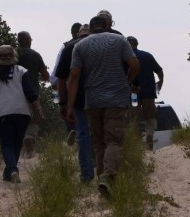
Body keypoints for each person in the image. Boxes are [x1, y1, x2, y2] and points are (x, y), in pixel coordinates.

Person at [67, 16, 140, 197]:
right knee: (113, 141)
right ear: (107, 26)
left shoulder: (80, 46)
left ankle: (102, 180)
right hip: (115, 99)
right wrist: (126, 82)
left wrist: (69, 106)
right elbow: (135, 65)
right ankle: (108, 177)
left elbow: (74, 76)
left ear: (90, 29)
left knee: (99, 143)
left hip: (92, 100)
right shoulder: (119, 40)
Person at [0, 45, 44, 183]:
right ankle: (9, 172)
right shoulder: (21, 71)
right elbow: (30, 93)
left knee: (6, 143)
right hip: (21, 112)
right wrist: (39, 110)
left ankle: (12, 170)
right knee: (17, 143)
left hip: (0, 113)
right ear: (14, 57)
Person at [55, 24, 94, 183]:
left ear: (77, 34)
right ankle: (103, 170)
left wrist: (63, 104)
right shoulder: (101, 44)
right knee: (100, 133)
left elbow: (61, 79)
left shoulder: (69, 47)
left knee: (83, 134)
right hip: (101, 96)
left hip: (78, 98)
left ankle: (86, 174)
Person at [126, 36, 164, 150]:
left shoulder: (124, 58)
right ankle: (149, 136)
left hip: (132, 95)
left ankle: (137, 147)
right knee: (150, 117)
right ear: (137, 44)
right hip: (148, 93)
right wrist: (160, 83)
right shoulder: (147, 55)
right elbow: (159, 71)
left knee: (134, 120)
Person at [16, 31, 50, 157]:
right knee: (34, 119)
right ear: (28, 40)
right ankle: (29, 139)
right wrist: (41, 77)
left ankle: (17, 148)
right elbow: (45, 75)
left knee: (18, 119)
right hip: (33, 93)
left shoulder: (13, 54)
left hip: (14, 94)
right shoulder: (35, 55)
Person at [49, 22, 82, 146]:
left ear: (72, 33)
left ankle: (72, 130)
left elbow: (58, 66)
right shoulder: (90, 43)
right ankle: (81, 134)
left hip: (68, 84)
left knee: (68, 108)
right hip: (87, 85)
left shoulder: (66, 46)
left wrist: (54, 82)